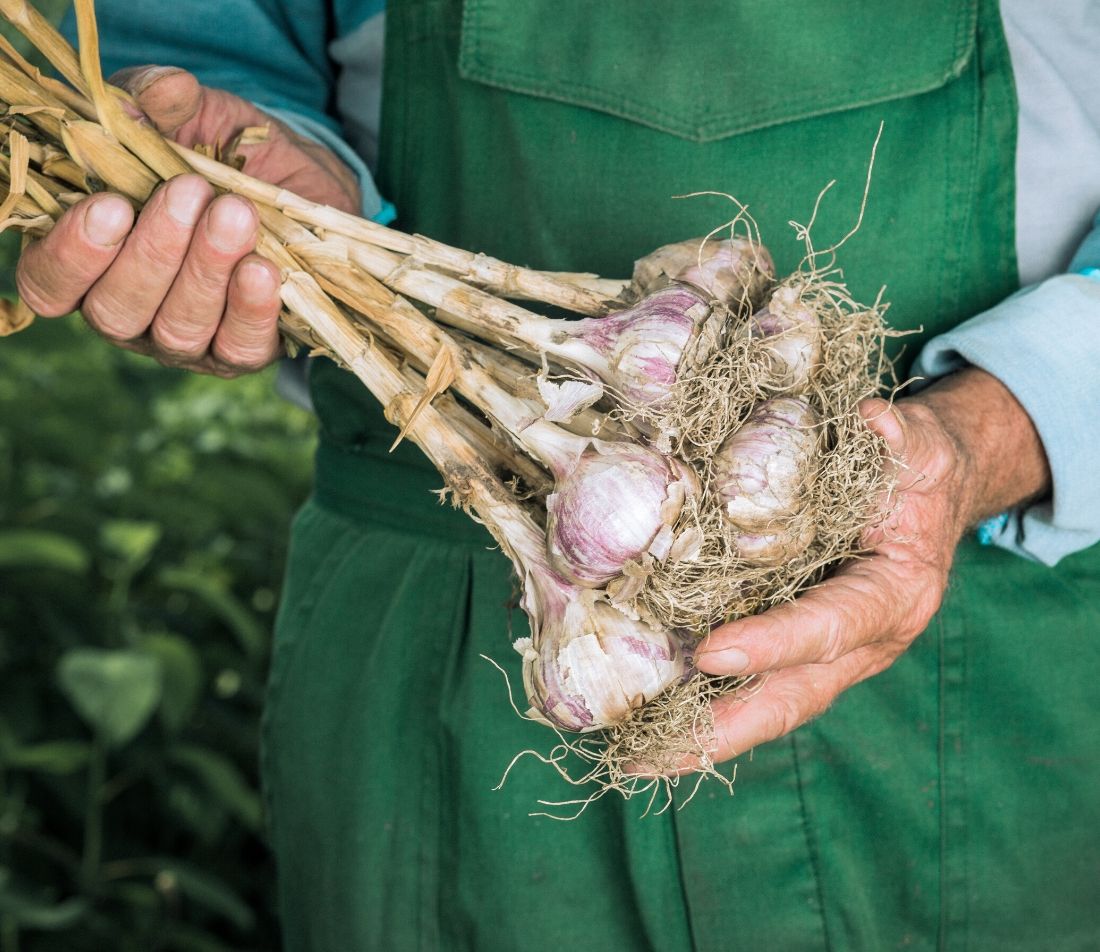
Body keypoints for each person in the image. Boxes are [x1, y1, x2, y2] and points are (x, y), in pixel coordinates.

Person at [16, 0, 1100, 948]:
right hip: (439, 655)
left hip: (984, 652)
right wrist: (258, 163)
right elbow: (201, 42)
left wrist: (983, 436)